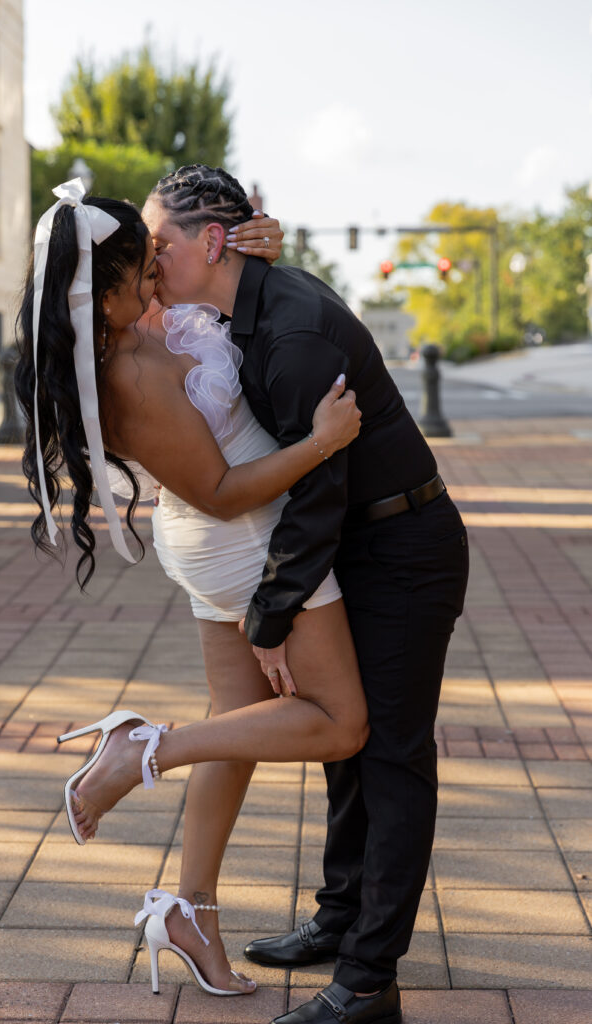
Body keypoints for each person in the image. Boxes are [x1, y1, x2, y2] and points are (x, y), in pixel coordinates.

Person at [15, 176, 367, 999]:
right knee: (338, 723)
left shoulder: (129, 324)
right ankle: (145, 748)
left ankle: (188, 913)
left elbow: (217, 284)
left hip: (221, 539)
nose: (152, 287)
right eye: (138, 277)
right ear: (97, 294)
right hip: (240, 535)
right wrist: (323, 442)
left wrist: (257, 248)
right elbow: (220, 489)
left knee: (238, 734)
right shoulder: (129, 375)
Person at [138, 165, 470, 1024]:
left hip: (402, 544)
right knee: (345, 749)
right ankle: (338, 918)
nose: (147, 259)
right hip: (353, 537)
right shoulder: (237, 301)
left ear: (211, 243)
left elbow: (316, 490)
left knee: (390, 754)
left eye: (159, 244)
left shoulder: (291, 335)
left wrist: (272, 618)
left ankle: (367, 981)